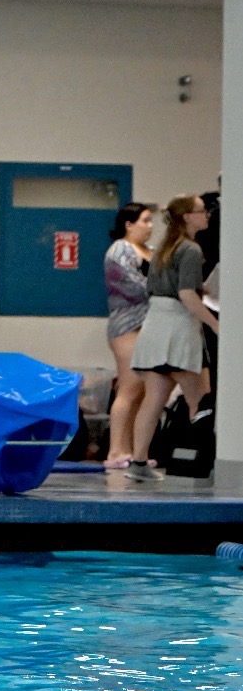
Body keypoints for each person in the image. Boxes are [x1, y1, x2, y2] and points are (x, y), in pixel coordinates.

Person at [128, 194, 219, 481]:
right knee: (199, 398)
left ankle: (138, 462)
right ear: (187, 217)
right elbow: (186, 296)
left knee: (154, 398)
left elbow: (163, 289)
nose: (207, 215)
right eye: (202, 211)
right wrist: (216, 325)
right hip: (179, 328)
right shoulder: (191, 250)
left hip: (155, 326)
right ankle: (196, 459)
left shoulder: (163, 249)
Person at [102, 202, 155, 470]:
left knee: (144, 390)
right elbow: (132, 285)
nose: (150, 226)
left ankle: (133, 450)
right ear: (129, 224)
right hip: (126, 325)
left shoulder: (152, 252)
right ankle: (115, 451)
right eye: (145, 220)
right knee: (129, 386)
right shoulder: (120, 250)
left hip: (149, 326)